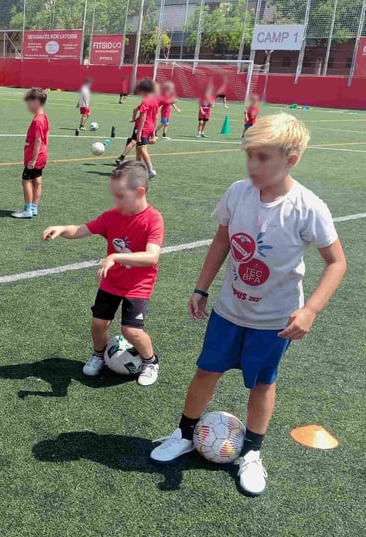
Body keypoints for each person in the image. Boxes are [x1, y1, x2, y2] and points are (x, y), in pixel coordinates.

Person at [150, 114, 347, 497]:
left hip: (274, 320)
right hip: (229, 310)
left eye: (263, 158)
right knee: (206, 372)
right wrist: (201, 288)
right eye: (250, 157)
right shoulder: (238, 192)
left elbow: (337, 262)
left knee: (262, 383)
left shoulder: (308, 207)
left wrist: (310, 311)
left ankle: (252, 453)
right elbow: (222, 241)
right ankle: (186, 434)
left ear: (292, 159)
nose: (253, 166)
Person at [42, 161, 164, 386]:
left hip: (138, 285)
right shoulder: (112, 216)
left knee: (131, 331)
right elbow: (81, 229)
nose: (115, 201)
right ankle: (99, 355)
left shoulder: (153, 219)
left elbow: (151, 256)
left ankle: (150, 361)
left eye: (120, 196)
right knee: (99, 323)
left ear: (139, 192)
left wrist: (115, 257)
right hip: (111, 282)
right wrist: (62, 229)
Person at [12, 88, 49, 219]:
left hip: (35, 157)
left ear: (37, 102)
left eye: (29, 102)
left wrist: (33, 159)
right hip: (41, 155)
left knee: (26, 180)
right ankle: (34, 208)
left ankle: (27, 209)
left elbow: (38, 140)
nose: (28, 105)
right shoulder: (43, 117)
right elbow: (46, 136)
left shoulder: (37, 120)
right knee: (37, 181)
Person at [134, 78, 159, 178]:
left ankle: (150, 169)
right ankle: (136, 169)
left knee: (143, 149)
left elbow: (143, 116)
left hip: (144, 127)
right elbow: (156, 116)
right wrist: (153, 131)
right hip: (151, 126)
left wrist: (139, 132)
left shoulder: (145, 101)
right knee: (139, 148)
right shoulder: (155, 100)